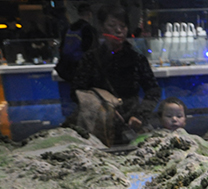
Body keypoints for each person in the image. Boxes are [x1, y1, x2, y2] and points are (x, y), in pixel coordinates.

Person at [72, 3, 161, 143]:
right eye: (112, 26)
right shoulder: (90, 59)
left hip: (130, 125)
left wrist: (140, 115)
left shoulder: (137, 59)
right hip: (98, 125)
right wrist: (102, 109)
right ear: (102, 27)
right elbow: (77, 91)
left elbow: (153, 90)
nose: (118, 31)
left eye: (123, 26)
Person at [55, 3, 98, 83]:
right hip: (82, 68)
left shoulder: (69, 28)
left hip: (66, 67)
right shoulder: (89, 30)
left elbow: (62, 47)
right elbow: (91, 49)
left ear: (78, 13)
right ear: (90, 14)